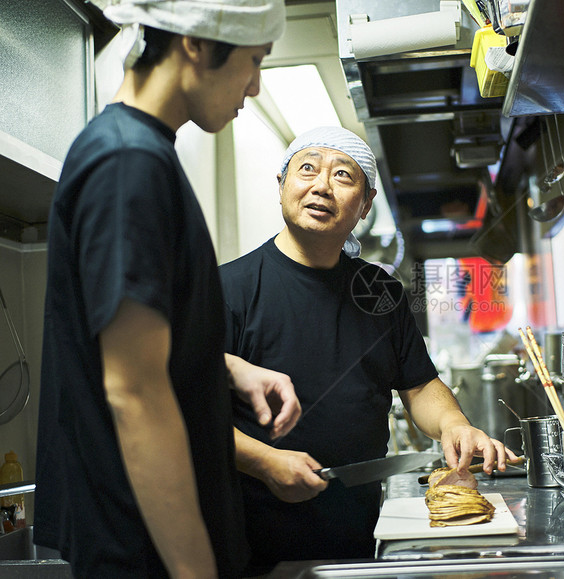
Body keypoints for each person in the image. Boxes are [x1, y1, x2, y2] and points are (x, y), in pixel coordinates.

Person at [34, 1, 301, 577]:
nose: (254, 86)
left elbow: (133, 341)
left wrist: (223, 366)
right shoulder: (128, 164)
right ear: (197, 46)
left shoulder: (137, 149)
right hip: (144, 551)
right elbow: (134, 392)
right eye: (253, 62)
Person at [220, 126, 517, 573]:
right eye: (307, 169)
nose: (322, 184)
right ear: (281, 185)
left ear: (365, 205)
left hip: (358, 534)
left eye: (343, 176)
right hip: (251, 542)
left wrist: (455, 424)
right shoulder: (228, 290)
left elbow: (419, 385)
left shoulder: (380, 292)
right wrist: (264, 462)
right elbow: (186, 413)